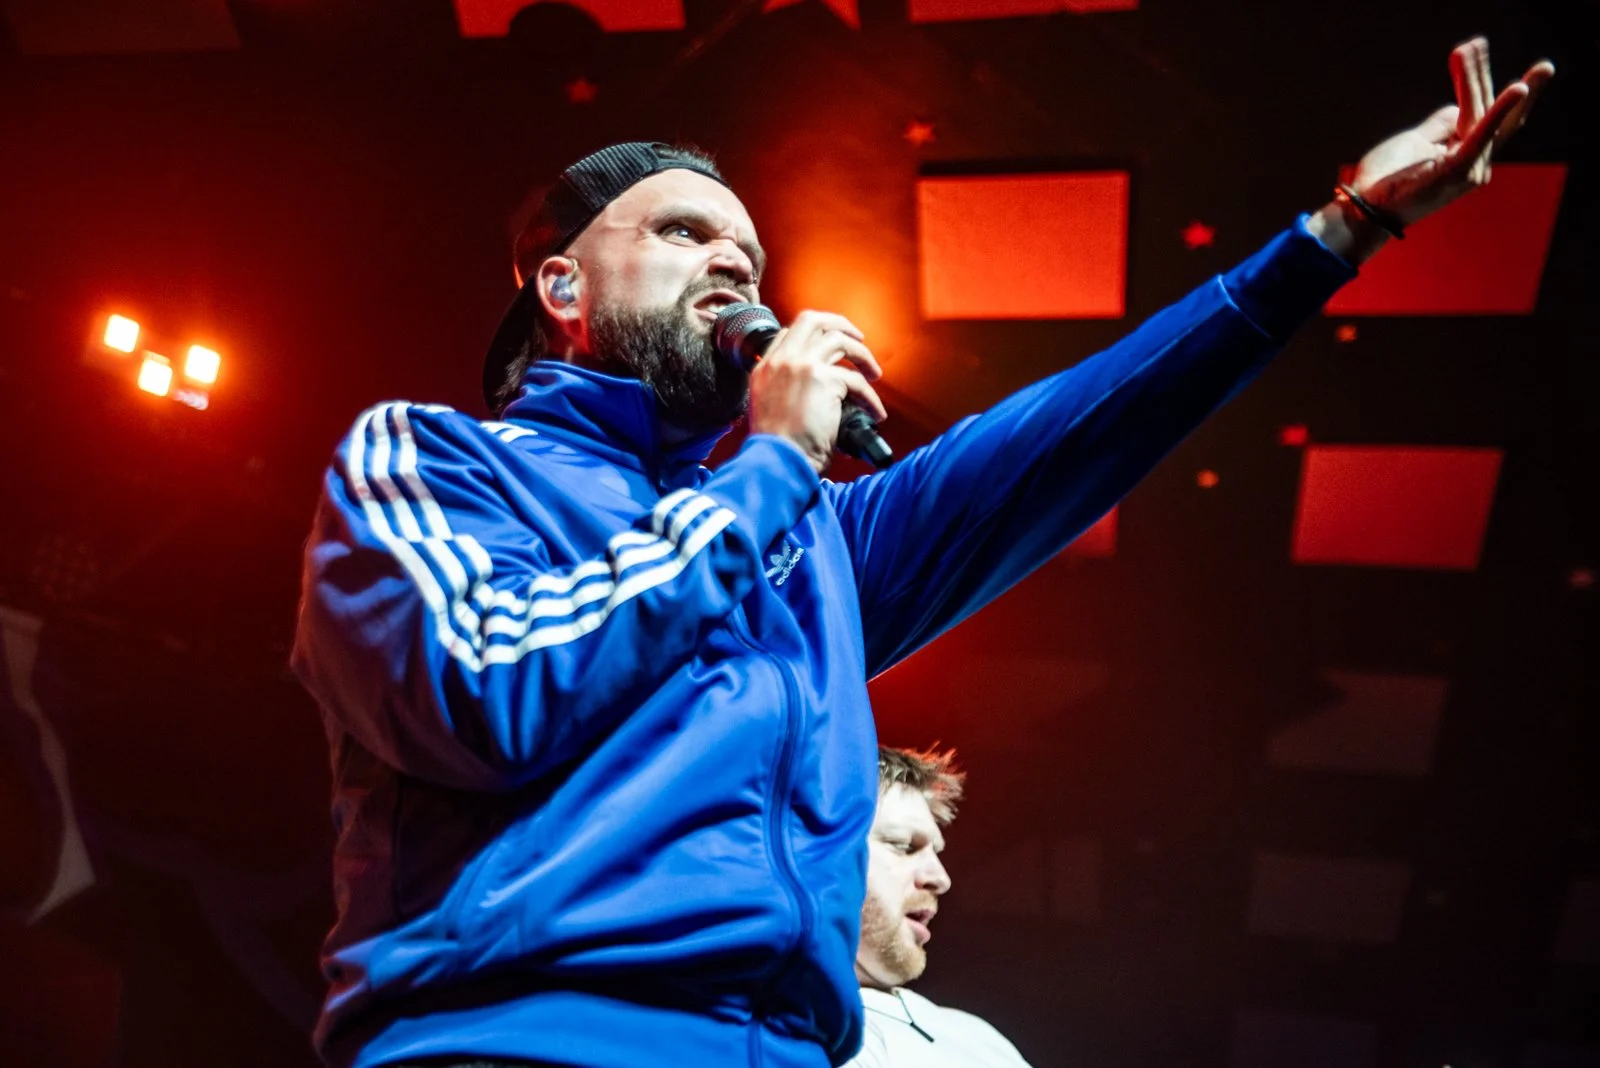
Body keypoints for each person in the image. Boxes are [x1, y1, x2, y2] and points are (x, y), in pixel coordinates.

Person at [290, 39, 1552, 1068]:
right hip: (525, 1044)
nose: (732, 260)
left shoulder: (816, 541)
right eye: (679, 233)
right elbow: (479, 692)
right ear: (562, 289)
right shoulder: (438, 461)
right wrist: (773, 465)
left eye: (746, 252)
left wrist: (1334, 233)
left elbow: (1070, 434)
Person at [844, 747, 1032, 1068]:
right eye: (905, 845)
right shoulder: (807, 1033)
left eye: (935, 852)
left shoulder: (977, 1033)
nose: (941, 878)